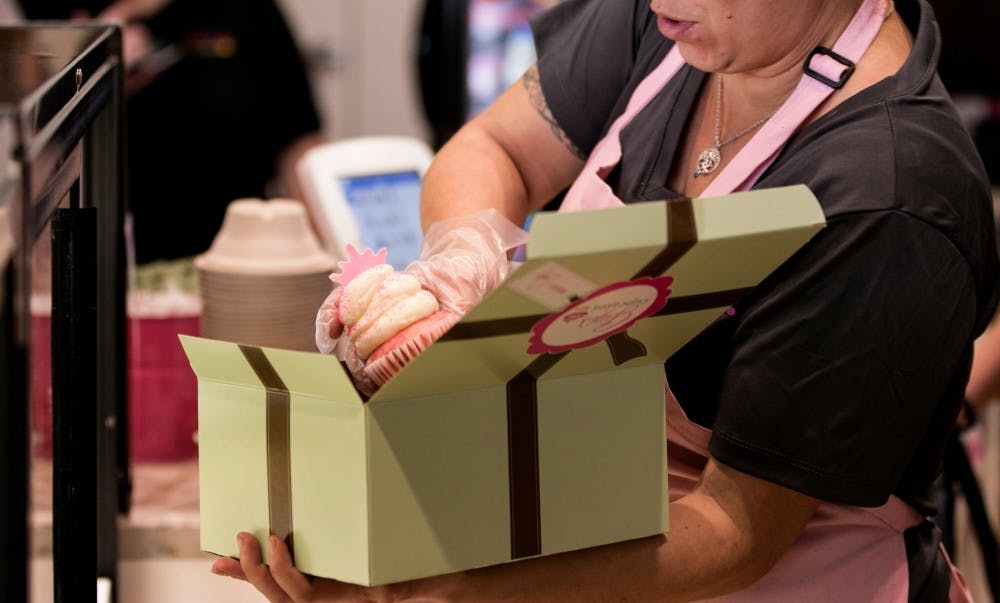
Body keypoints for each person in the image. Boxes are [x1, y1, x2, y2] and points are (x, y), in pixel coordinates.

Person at [213, 0, 1000, 600]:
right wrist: (465, 256)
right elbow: (497, 148)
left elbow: (737, 532)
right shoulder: (675, 26)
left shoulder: (888, 195)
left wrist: (424, 584)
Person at [19, 0, 323, 264]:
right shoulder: (56, 17)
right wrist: (85, 91)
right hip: (103, 276)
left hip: (239, 268)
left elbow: (302, 157)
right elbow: (34, 193)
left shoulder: (247, 11)